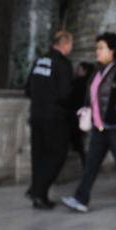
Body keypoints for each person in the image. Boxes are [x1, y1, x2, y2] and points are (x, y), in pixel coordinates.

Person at [63, 32, 116, 213]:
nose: (97, 51)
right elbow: (93, 96)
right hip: (99, 126)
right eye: (97, 47)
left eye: (101, 47)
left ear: (112, 51)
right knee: (91, 163)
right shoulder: (97, 72)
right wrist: (87, 110)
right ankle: (81, 198)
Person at [24, 30, 76, 210]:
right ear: (65, 43)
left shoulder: (39, 61)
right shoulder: (63, 63)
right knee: (58, 155)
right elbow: (65, 94)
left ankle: (40, 196)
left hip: (36, 115)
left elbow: (28, 89)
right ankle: (37, 190)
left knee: (39, 156)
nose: (72, 47)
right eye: (71, 44)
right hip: (55, 117)